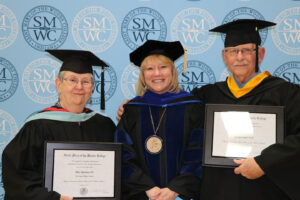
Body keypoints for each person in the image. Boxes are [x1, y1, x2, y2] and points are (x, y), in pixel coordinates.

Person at [191, 19, 300, 200]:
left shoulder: (286, 94)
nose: (240, 57)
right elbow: (175, 115)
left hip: (267, 190)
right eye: (233, 51)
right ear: (225, 56)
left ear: (260, 54)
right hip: (218, 190)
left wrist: (264, 163)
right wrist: (131, 109)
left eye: (247, 50)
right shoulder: (207, 95)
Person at [2, 50, 116, 200]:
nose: (79, 87)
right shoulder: (38, 126)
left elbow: (122, 168)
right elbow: (17, 177)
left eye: (86, 81)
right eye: (72, 80)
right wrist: (55, 198)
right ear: (58, 84)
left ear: (92, 87)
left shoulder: (105, 125)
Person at [114, 40, 204, 200]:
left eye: (163, 67)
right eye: (150, 69)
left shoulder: (192, 107)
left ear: (172, 71)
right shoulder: (133, 109)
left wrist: (175, 189)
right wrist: (147, 188)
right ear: (143, 75)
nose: (157, 74)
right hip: (143, 195)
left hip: (180, 196)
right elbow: (123, 154)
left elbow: (197, 152)